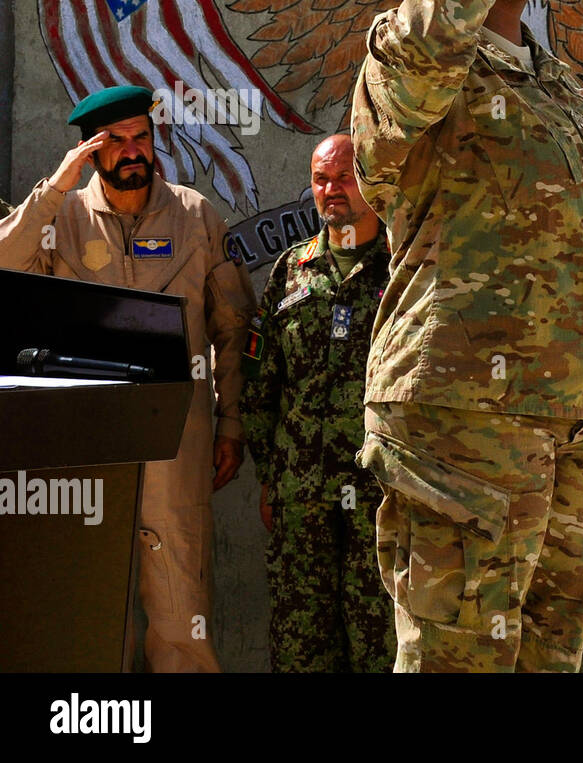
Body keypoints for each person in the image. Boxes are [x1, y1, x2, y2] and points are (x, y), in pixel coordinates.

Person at [349, 0, 583, 672]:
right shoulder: (410, 60)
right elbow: (419, 56)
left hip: (567, 421)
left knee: (547, 661)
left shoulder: (555, 82)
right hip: (461, 421)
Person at [0, 84, 254, 672]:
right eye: (114, 142)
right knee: (93, 603)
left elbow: (231, 327)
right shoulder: (58, 215)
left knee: (180, 605)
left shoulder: (195, 215)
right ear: (89, 150)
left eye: (141, 136)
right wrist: (55, 188)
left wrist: (231, 422)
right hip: (86, 443)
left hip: (177, 443)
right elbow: (6, 271)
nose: (132, 151)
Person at [240, 134, 396, 672]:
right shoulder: (290, 272)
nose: (332, 190)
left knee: (381, 650)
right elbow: (261, 386)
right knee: (301, 650)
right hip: (300, 502)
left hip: (380, 506)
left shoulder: (404, 271)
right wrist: (270, 477)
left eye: (345, 177)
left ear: (371, 179)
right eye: (321, 179)